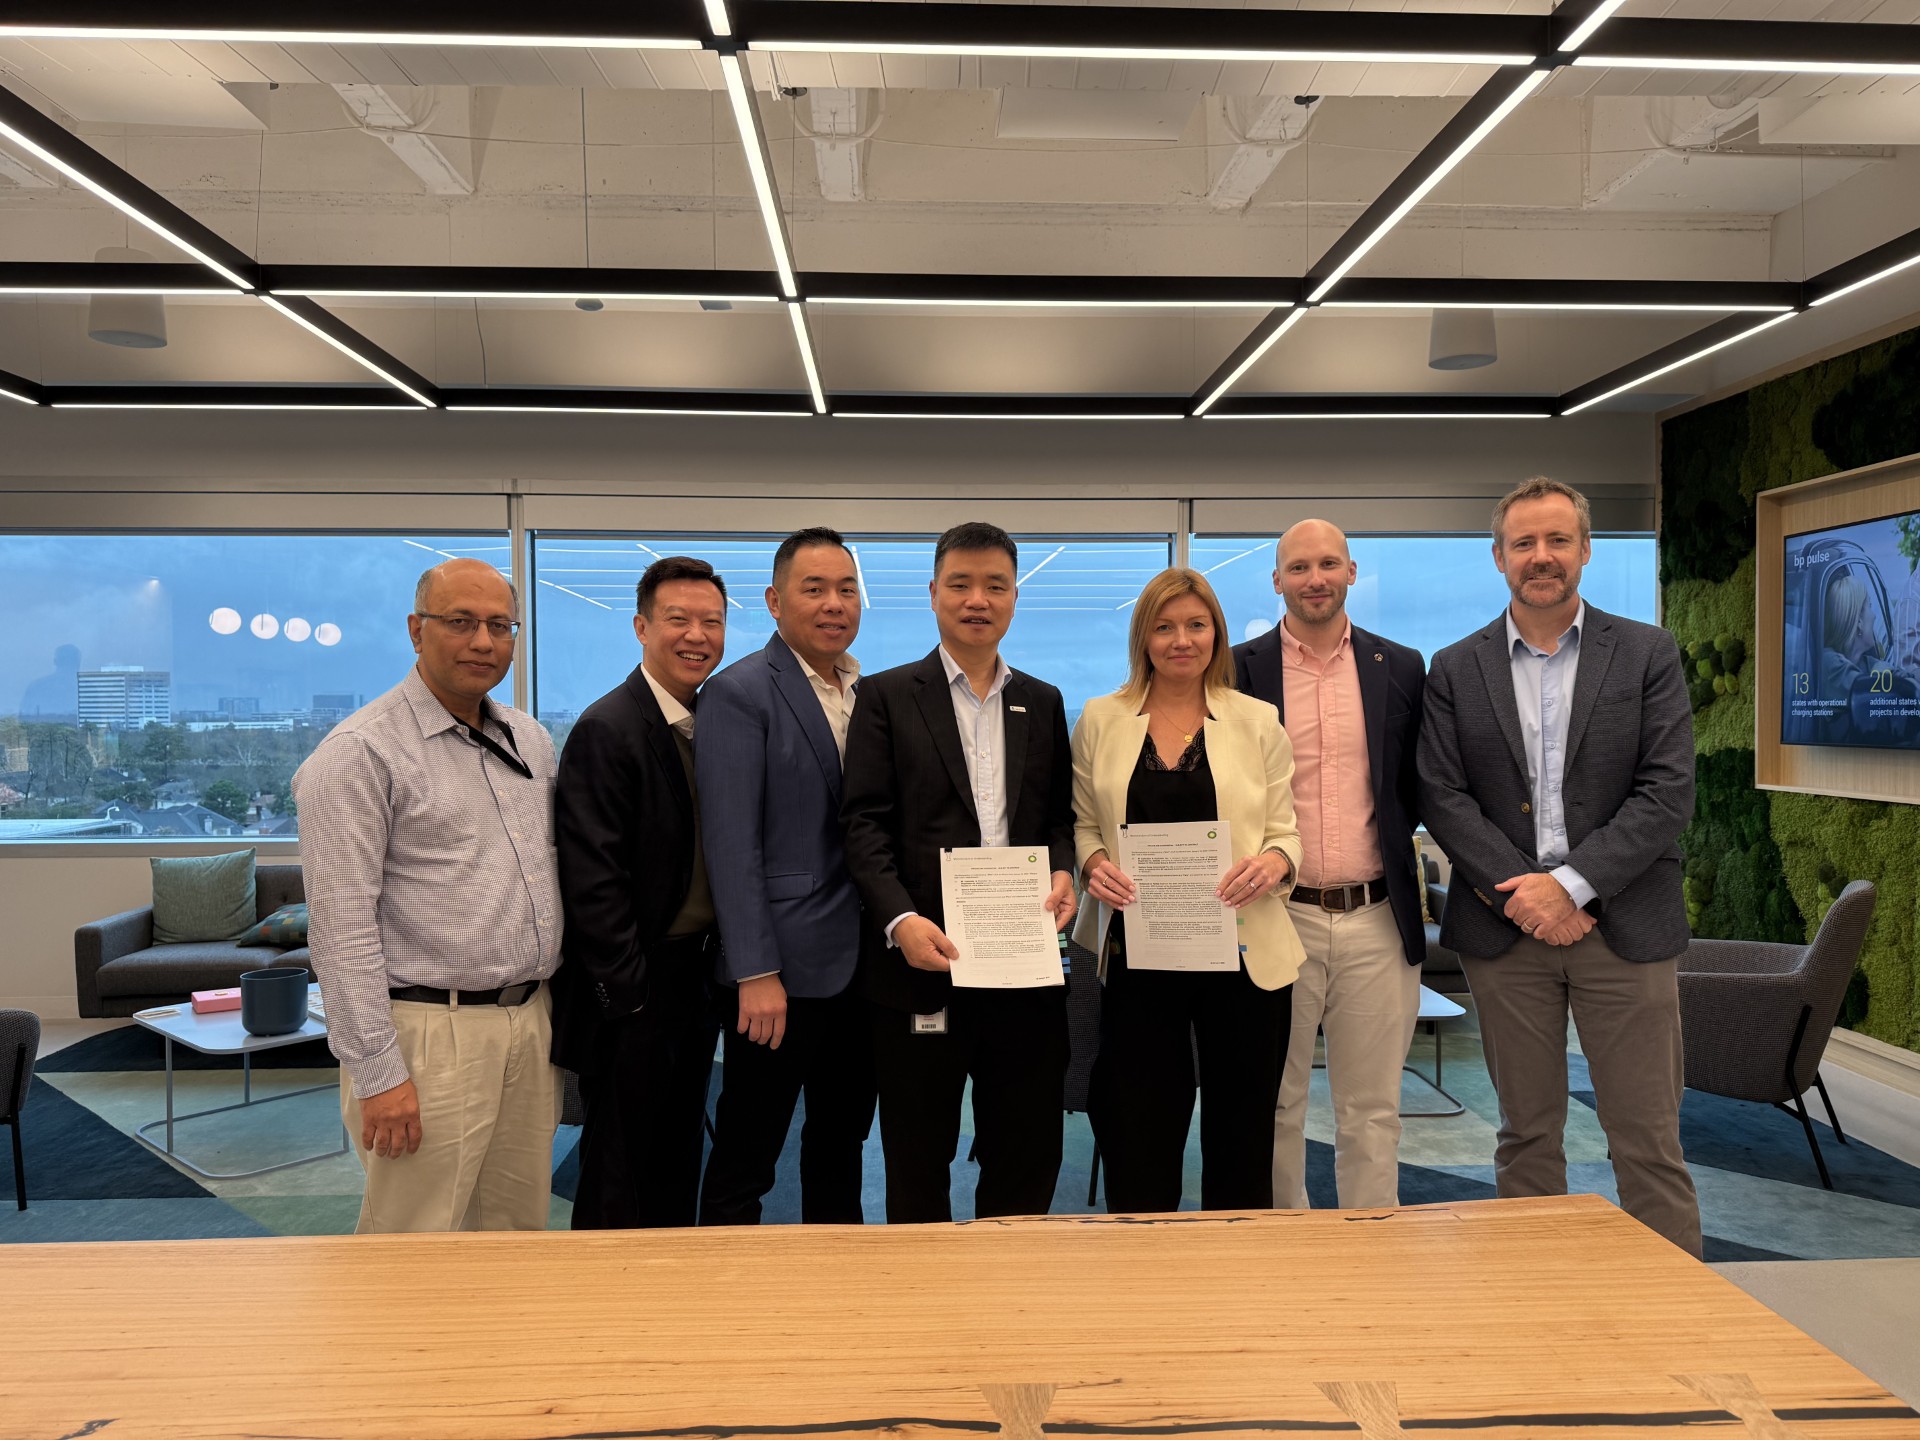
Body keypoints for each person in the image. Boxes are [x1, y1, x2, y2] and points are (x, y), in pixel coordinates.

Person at [1418, 476, 1701, 1256]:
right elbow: (1442, 795)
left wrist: (1570, 887)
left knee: (1647, 1138)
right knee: (1525, 1135)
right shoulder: (1455, 667)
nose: (1540, 556)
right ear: (1499, 557)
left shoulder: (1645, 654)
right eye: (1523, 543)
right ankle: (1536, 1302)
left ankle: (1675, 1313)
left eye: (1556, 540)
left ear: (1585, 550)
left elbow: (1667, 791)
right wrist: (1527, 895)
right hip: (1506, 931)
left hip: (1626, 926)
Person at [293, 558, 560, 1234]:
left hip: (528, 1022)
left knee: (517, 1234)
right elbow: (341, 930)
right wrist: (379, 1073)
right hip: (428, 1033)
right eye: (460, 622)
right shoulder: (360, 753)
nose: (483, 642)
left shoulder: (528, 740)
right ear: (416, 630)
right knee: (413, 1244)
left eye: (500, 626)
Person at [840, 521, 1077, 1223]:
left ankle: (1010, 1274)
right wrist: (900, 920)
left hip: (1022, 964)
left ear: (1014, 597)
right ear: (934, 593)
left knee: (1026, 1146)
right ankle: (925, 1285)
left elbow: (1057, 819)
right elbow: (863, 823)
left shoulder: (1043, 699)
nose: (979, 600)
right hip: (921, 961)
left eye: (996, 586)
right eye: (962, 584)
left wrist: (1063, 872)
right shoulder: (885, 695)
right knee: (918, 1154)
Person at [1073, 567, 1303, 1212]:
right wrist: (1093, 863)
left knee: (1242, 1134)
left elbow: (1286, 831)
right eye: (1164, 626)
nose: (1182, 640)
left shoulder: (1258, 720)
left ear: (1216, 634)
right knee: (1137, 1130)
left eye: (1196, 625)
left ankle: (1235, 1266)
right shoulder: (1100, 718)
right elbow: (1084, 824)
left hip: (1244, 959)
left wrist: (1274, 863)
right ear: (1142, 638)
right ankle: (1145, 1264)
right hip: (1138, 959)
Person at [1233, 520, 1428, 1211]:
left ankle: (1370, 1247)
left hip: (1377, 916)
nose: (1313, 579)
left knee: (1372, 1109)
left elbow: (1419, 784)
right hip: (1275, 916)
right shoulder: (1237, 669)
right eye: (1298, 567)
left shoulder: (1401, 666)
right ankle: (1286, 1246)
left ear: (1351, 571)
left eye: (1327, 564)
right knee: (1275, 1102)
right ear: (1277, 581)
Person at [696, 528, 875, 1225]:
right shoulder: (739, 692)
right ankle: (724, 1280)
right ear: (774, 601)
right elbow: (730, 844)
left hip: (862, 968)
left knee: (841, 1142)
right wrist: (755, 970)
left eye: (847, 589)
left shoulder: (862, 690)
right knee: (749, 1150)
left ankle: (836, 1276)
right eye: (815, 589)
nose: (835, 604)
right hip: (778, 975)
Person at [550, 555, 728, 1229]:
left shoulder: (708, 720)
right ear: (641, 627)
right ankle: (606, 1286)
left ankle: (671, 1278)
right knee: (619, 1166)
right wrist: (629, 997)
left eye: (711, 622)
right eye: (678, 619)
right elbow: (592, 880)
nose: (697, 636)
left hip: (693, 976)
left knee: (676, 1153)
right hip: (636, 986)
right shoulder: (610, 726)